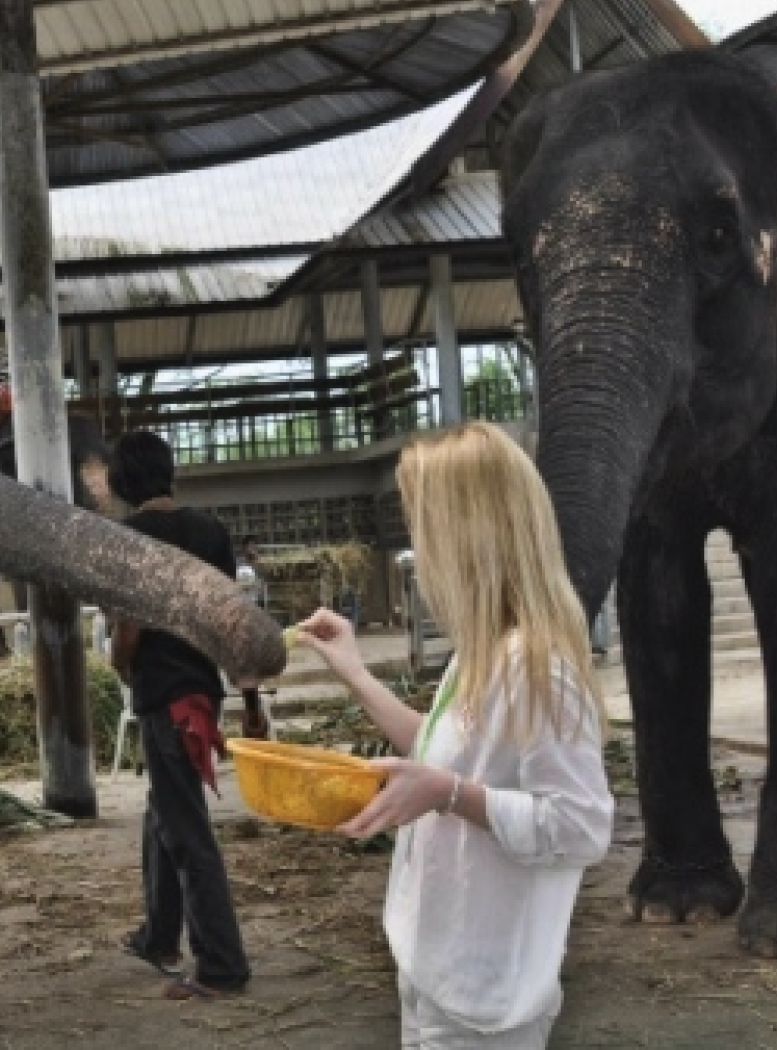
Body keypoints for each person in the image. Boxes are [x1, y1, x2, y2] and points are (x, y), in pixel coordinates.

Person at [298, 421, 613, 1047]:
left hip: (486, 992)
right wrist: (355, 674)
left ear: (468, 536)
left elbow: (581, 825)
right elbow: (439, 746)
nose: (417, 546)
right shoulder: (481, 652)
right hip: (435, 965)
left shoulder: (536, 666)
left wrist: (447, 795)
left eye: (423, 524)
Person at [106, 430, 266, 1001]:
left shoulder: (126, 538)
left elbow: (129, 630)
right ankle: (158, 935)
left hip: (164, 696)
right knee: (164, 812)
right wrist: (251, 703)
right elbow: (235, 623)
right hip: (204, 692)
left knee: (187, 833)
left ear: (123, 482)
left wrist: (122, 666)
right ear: (169, 472)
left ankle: (222, 966)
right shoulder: (210, 532)